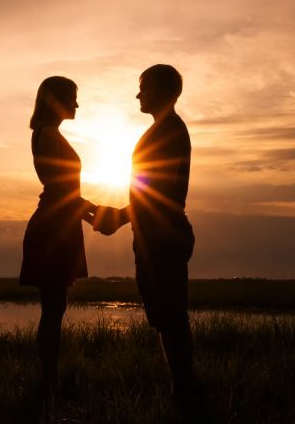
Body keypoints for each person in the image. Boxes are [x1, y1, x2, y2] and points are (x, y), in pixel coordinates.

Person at [93, 64, 196, 400]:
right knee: (167, 320)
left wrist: (118, 218)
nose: (138, 94)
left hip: (163, 235)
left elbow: (159, 193)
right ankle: (182, 391)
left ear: (163, 90)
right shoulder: (163, 129)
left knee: (172, 320)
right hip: (154, 234)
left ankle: (185, 394)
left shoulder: (168, 132)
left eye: (144, 87)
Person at [21, 76, 96, 392]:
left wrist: (93, 214)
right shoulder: (48, 135)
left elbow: (65, 192)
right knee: (53, 308)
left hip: (59, 222)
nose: (77, 104)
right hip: (54, 226)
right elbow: (62, 190)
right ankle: (48, 380)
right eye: (72, 97)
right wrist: (99, 215)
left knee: (55, 307)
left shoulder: (49, 134)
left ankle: (48, 378)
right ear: (55, 100)